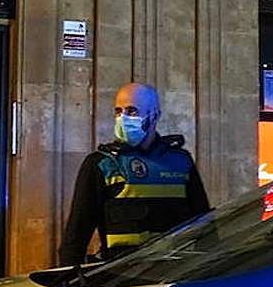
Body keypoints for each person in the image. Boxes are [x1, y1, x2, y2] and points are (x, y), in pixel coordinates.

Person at [59, 82, 209, 266]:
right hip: (121, 275)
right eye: (118, 111)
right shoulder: (101, 163)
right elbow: (76, 235)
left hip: (172, 273)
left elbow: (205, 228)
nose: (123, 118)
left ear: (154, 116)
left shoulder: (180, 162)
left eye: (132, 111)